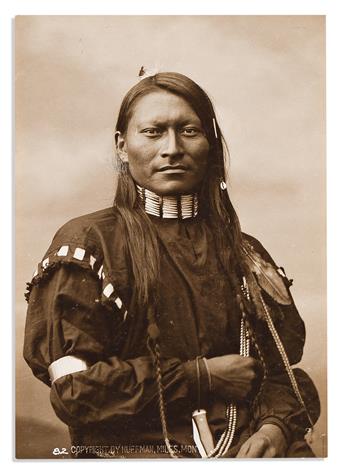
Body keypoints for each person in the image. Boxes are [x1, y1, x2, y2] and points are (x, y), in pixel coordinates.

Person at [23, 70, 320, 459]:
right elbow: (75, 392)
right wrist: (202, 377)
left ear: (210, 145)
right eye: (153, 132)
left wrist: (275, 428)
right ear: (121, 146)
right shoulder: (89, 244)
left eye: (189, 131)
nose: (172, 148)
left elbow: (282, 373)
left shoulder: (245, 252)